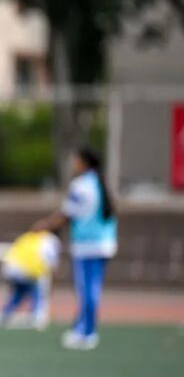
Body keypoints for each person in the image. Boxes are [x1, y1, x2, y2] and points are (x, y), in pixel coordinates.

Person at [34, 146, 117, 350]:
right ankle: (82, 327)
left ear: (83, 162)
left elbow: (67, 213)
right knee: (92, 288)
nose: (73, 164)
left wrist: (45, 225)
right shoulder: (100, 182)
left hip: (87, 244)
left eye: (75, 160)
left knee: (87, 290)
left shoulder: (80, 185)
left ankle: (87, 332)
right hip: (105, 243)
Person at [0, 230, 62, 330]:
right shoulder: (50, 240)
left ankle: (5, 314)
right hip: (27, 270)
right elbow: (50, 260)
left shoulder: (28, 236)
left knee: (19, 293)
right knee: (36, 292)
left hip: (10, 268)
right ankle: (36, 317)